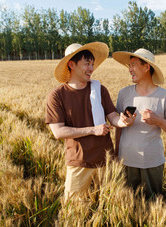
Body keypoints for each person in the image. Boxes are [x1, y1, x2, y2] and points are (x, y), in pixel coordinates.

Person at [45, 42, 136, 202]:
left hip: (105, 160)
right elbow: (58, 132)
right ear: (71, 64)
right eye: (87, 63)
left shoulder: (100, 90)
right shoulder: (57, 96)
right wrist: (93, 130)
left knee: (109, 204)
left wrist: (124, 122)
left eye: (92, 64)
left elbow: (113, 117)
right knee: (73, 209)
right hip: (79, 162)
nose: (91, 68)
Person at [112, 48, 166, 198]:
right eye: (129, 66)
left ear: (146, 67)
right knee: (128, 203)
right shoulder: (124, 93)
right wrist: (117, 152)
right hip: (127, 159)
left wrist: (158, 121)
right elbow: (119, 127)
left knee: (153, 202)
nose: (130, 70)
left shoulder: (165, 96)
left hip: (152, 161)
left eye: (133, 65)